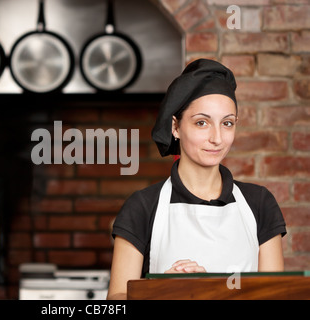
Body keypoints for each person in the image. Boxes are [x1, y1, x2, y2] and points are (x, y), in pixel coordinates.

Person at [107, 59, 287, 300]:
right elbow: (116, 299)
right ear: (176, 127)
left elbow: (275, 297)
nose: (217, 138)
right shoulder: (142, 207)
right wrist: (161, 293)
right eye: (202, 123)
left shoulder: (259, 203)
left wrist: (209, 291)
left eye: (227, 123)